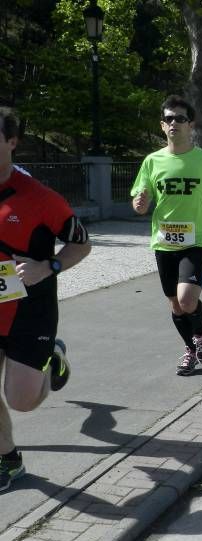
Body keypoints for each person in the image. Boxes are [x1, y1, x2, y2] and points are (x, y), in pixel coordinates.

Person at [0, 107, 91, 492]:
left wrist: (47, 266)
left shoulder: (39, 197)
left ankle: (52, 355)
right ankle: (9, 461)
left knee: (20, 400)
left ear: (12, 142)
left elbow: (81, 244)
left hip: (29, 310)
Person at [131, 95, 202, 377]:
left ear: (191, 125)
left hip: (197, 241)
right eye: (168, 119)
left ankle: (201, 333)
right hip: (164, 243)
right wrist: (139, 204)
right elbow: (140, 199)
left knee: (187, 300)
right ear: (162, 126)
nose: (173, 123)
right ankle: (190, 349)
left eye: (179, 118)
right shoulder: (152, 162)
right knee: (177, 306)